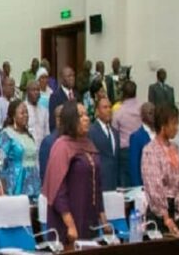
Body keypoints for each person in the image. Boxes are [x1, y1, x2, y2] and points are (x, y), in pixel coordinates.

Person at [42, 101, 111, 245]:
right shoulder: (62, 146)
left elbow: (97, 187)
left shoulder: (89, 144)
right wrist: (70, 225)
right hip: (69, 222)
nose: (86, 118)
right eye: (81, 116)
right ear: (70, 120)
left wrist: (103, 221)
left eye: (87, 114)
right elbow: (58, 191)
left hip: (90, 217)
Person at [141, 104, 179, 236]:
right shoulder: (150, 150)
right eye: (173, 124)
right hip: (160, 214)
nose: (176, 128)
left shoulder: (175, 148)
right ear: (163, 125)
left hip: (177, 209)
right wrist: (166, 217)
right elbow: (154, 186)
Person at [0, 100, 41, 198]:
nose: (26, 115)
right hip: (16, 184)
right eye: (22, 113)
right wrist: (2, 184)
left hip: (33, 183)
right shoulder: (6, 134)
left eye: (27, 112)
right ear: (13, 116)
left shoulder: (28, 135)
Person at [111, 80, 141, 187]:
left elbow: (114, 131)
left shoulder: (119, 112)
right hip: (142, 148)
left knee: (127, 185)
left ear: (123, 93)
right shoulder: (142, 109)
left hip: (125, 151)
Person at [88, 96, 120, 192]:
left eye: (110, 107)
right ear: (97, 111)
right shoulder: (91, 131)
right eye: (105, 107)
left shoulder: (115, 132)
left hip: (115, 184)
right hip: (99, 184)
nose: (109, 110)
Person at [129, 102, 155, 187]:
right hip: (144, 185)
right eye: (150, 113)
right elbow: (134, 165)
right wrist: (138, 187)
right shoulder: (136, 137)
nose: (153, 115)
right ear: (143, 116)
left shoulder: (159, 134)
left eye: (154, 112)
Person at [39, 104, 63, 183]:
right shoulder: (48, 142)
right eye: (60, 117)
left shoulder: (74, 139)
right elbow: (45, 173)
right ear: (57, 119)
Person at [48, 66, 76, 131]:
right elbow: (53, 122)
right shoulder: (55, 97)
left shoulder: (77, 95)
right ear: (62, 78)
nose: (72, 78)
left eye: (73, 75)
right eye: (69, 76)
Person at [25, 80, 49, 147]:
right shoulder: (23, 110)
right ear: (27, 92)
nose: (36, 92)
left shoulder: (44, 110)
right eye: (33, 90)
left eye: (38, 90)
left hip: (42, 148)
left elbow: (47, 132)